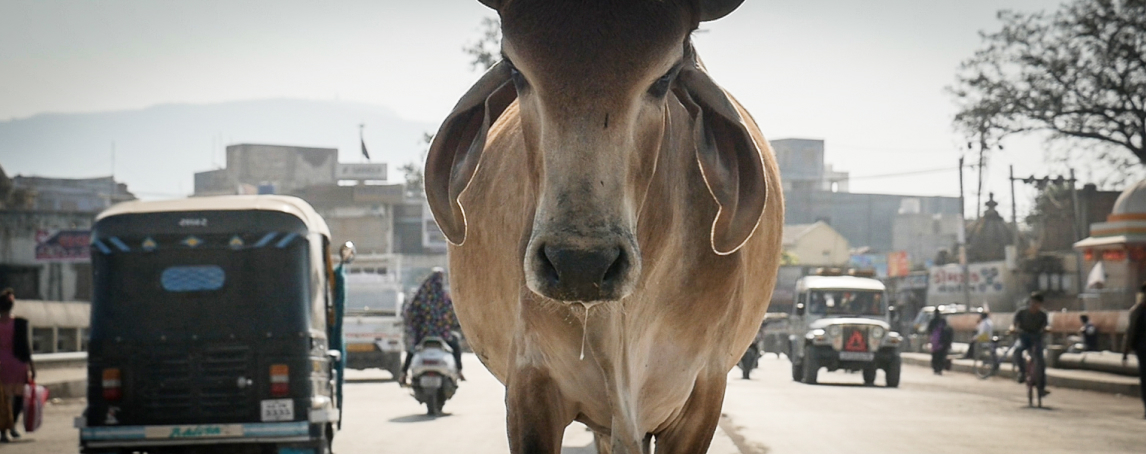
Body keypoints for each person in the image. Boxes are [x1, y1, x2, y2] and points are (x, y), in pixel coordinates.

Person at [399, 269, 464, 385]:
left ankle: (404, 374)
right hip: (442, 335)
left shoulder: (421, 295)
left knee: (412, 350)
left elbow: (410, 312)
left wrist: (416, 325)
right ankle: (459, 371)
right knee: (456, 347)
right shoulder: (444, 298)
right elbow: (452, 314)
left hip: (423, 334)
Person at [0, 289, 34, 443]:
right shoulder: (19, 324)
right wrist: (32, 367)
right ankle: (12, 426)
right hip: (18, 365)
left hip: (2, 366)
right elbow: (26, 347)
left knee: (3, 399)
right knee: (18, 397)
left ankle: (3, 431)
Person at [1012, 292, 1049, 397]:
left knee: (1040, 361)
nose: (1033, 305)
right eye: (1032, 302)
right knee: (1017, 350)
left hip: (1036, 339)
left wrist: (1046, 330)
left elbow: (1045, 326)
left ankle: (1041, 388)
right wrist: (1013, 329)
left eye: (1036, 303)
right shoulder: (1021, 312)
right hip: (1023, 338)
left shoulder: (1043, 315)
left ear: (1040, 305)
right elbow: (1014, 324)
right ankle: (1022, 373)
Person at [1122, 284, 1146, 419]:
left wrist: (1125, 352)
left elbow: (1130, 333)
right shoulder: (1138, 311)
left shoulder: (1137, 310)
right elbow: (1130, 333)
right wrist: (1125, 352)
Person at [929, 309, 951, 375]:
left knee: (935, 355)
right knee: (941, 356)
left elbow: (929, 331)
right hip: (942, 341)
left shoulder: (932, 321)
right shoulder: (942, 321)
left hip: (936, 342)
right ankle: (939, 368)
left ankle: (936, 368)